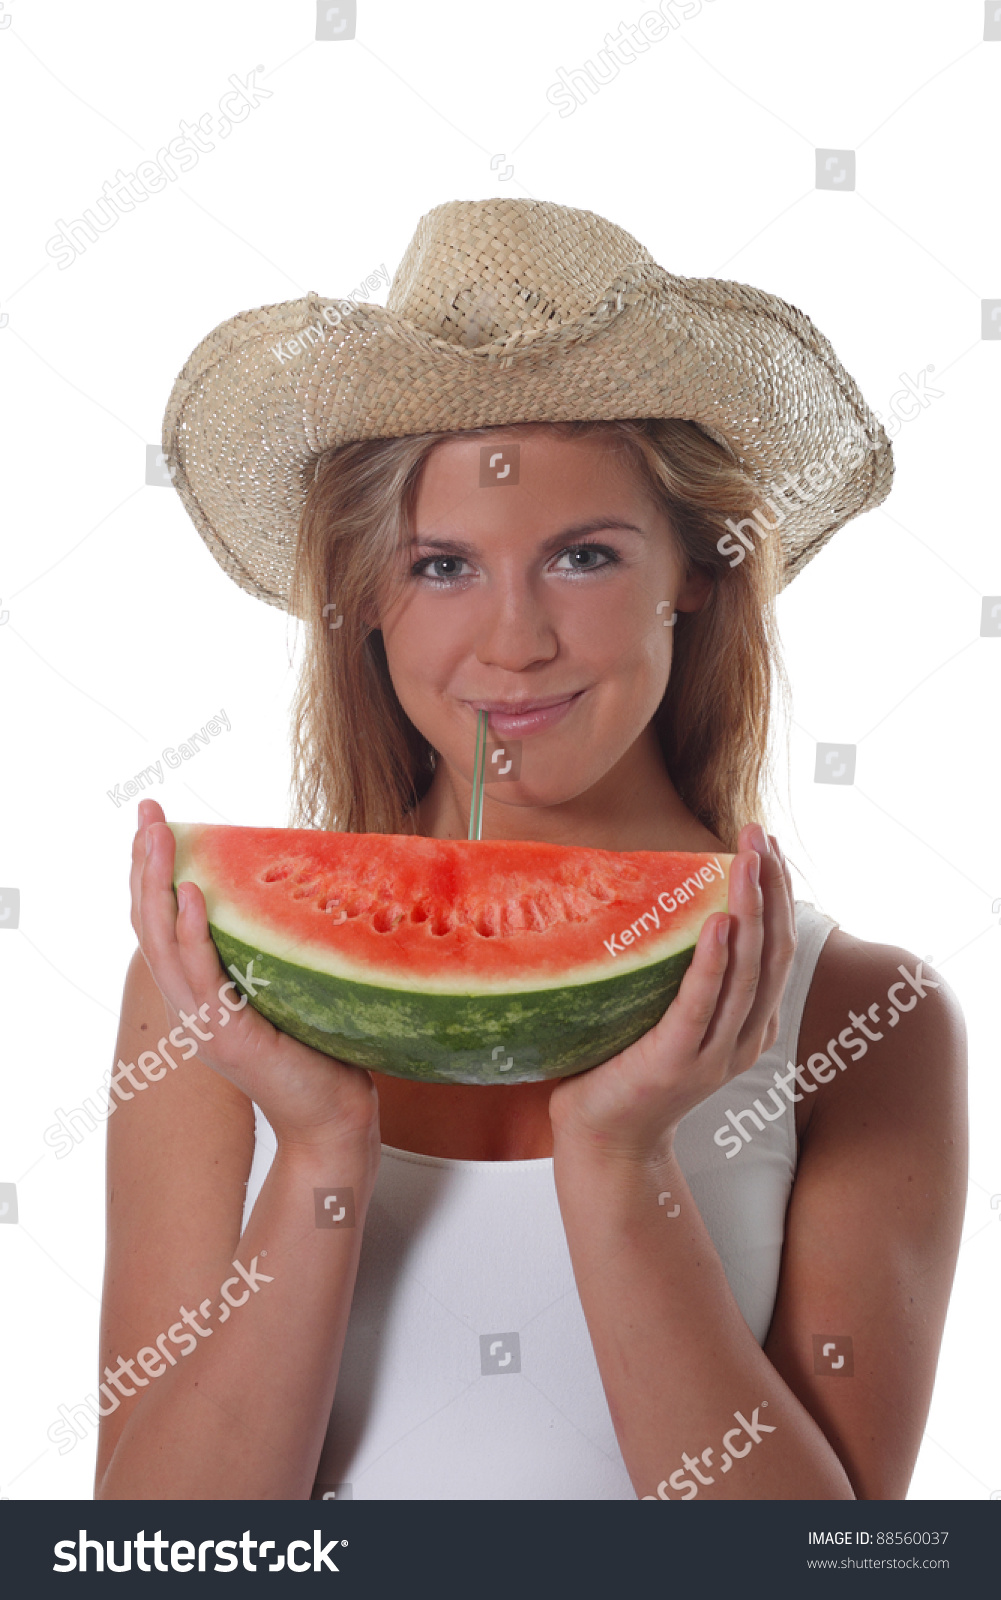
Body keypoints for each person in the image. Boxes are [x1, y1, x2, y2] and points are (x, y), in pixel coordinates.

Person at [95, 199, 966, 1502]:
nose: (512, 643)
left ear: (693, 573)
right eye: (441, 564)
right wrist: (322, 1152)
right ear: (368, 604)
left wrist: (616, 1167)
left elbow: (817, 1576)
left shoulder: (856, 1015)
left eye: (581, 556)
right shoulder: (214, 987)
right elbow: (155, 1559)